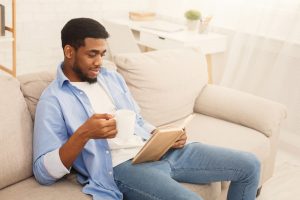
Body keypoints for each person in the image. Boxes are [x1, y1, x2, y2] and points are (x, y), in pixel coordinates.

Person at [33, 18, 260, 200]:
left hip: (158, 150)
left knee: (250, 165)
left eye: (102, 54)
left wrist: (162, 136)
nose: (99, 62)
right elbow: (43, 172)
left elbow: (138, 121)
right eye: (92, 54)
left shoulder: (111, 77)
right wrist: (84, 133)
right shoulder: (53, 100)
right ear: (69, 52)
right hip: (125, 167)